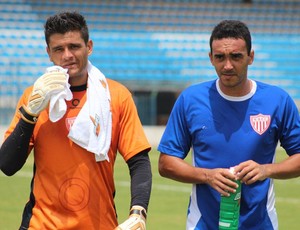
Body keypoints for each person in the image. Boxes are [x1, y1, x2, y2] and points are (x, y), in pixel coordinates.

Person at [0, 11, 152, 230]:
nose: (67, 55)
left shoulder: (116, 95)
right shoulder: (33, 97)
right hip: (40, 224)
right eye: (59, 49)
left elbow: (138, 161)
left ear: (89, 46)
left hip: (99, 225)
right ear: (48, 53)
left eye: (74, 46)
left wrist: (138, 212)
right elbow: (7, 165)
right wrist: (30, 113)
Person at [157, 19, 300, 230]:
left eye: (236, 56)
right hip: (203, 224)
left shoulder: (277, 100)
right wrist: (208, 176)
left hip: (261, 224)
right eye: (220, 57)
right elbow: (166, 163)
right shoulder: (191, 100)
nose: (227, 65)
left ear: (250, 57)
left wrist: (266, 170)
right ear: (210, 58)